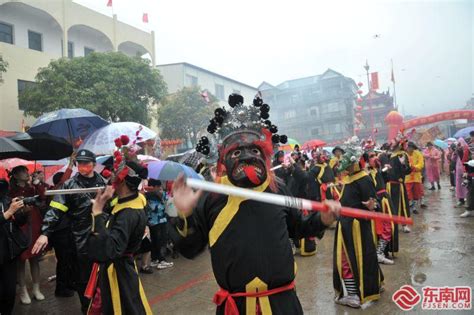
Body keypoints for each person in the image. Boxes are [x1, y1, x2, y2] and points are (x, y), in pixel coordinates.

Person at [171, 93, 341, 314]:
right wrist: (184, 213)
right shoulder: (211, 196)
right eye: (237, 152)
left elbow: (298, 227)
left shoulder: (277, 188)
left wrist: (322, 218)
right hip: (236, 307)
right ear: (224, 159)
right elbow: (190, 248)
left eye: (254, 150)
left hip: (282, 305)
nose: (246, 157)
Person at [32, 149, 106, 314]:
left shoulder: (104, 183)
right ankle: (87, 309)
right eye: (79, 163)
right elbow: (54, 210)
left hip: (102, 237)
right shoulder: (69, 185)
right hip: (78, 240)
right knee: (83, 281)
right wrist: (45, 232)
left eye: (86, 163)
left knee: (103, 280)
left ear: (94, 164)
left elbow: (115, 209)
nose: (82, 166)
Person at [86, 159, 151, 315]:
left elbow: (111, 249)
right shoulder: (133, 199)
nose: (112, 176)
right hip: (121, 268)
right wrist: (105, 200)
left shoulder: (128, 213)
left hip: (118, 273)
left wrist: (98, 213)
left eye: (115, 173)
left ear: (123, 181)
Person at [333, 147, 383, 308]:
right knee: (364, 257)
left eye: (347, 165)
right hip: (347, 224)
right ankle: (374, 285)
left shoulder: (363, 178)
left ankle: (354, 295)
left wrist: (372, 205)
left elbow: (375, 204)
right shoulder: (352, 178)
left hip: (355, 227)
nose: (345, 168)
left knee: (346, 259)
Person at [8, 165, 44, 304]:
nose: (26, 173)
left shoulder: (32, 189)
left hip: (34, 225)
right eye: (23, 171)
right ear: (16, 176)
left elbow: (42, 198)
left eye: (26, 171)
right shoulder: (11, 191)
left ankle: (36, 289)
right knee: (21, 261)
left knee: (35, 259)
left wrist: (37, 183)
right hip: (20, 227)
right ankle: (23, 291)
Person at [1, 180, 27, 315]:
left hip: (9, 253)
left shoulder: (7, 200)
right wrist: (8, 212)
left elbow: (20, 222)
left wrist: (22, 212)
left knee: (9, 292)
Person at [386, 135, 412, 235]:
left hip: (398, 184)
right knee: (392, 205)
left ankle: (404, 224)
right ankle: (393, 224)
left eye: (395, 143)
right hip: (389, 184)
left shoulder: (402, 155)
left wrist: (404, 165)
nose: (393, 145)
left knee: (402, 204)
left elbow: (407, 171)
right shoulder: (391, 155)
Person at [145, 179, 174, 270]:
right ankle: (162, 261)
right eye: (158, 186)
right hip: (159, 221)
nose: (160, 188)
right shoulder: (158, 195)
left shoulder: (145, 195)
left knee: (155, 241)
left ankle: (154, 259)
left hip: (151, 222)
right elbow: (163, 205)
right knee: (161, 240)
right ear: (154, 187)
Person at [405, 142, 425, 214]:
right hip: (407, 178)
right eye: (408, 148)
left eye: (411, 148)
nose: (410, 149)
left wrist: (415, 167)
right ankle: (412, 207)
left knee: (417, 193)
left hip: (416, 177)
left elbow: (421, 163)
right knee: (408, 193)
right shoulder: (404, 154)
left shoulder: (418, 153)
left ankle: (415, 207)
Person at [455, 138, 470, 207]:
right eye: (459, 144)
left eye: (461, 144)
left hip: (466, 170)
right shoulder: (457, 150)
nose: (460, 145)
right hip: (458, 170)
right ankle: (461, 199)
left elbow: (466, 160)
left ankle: (468, 201)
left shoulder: (468, 150)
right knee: (459, 185)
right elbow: (453, 159)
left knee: (467, 185)